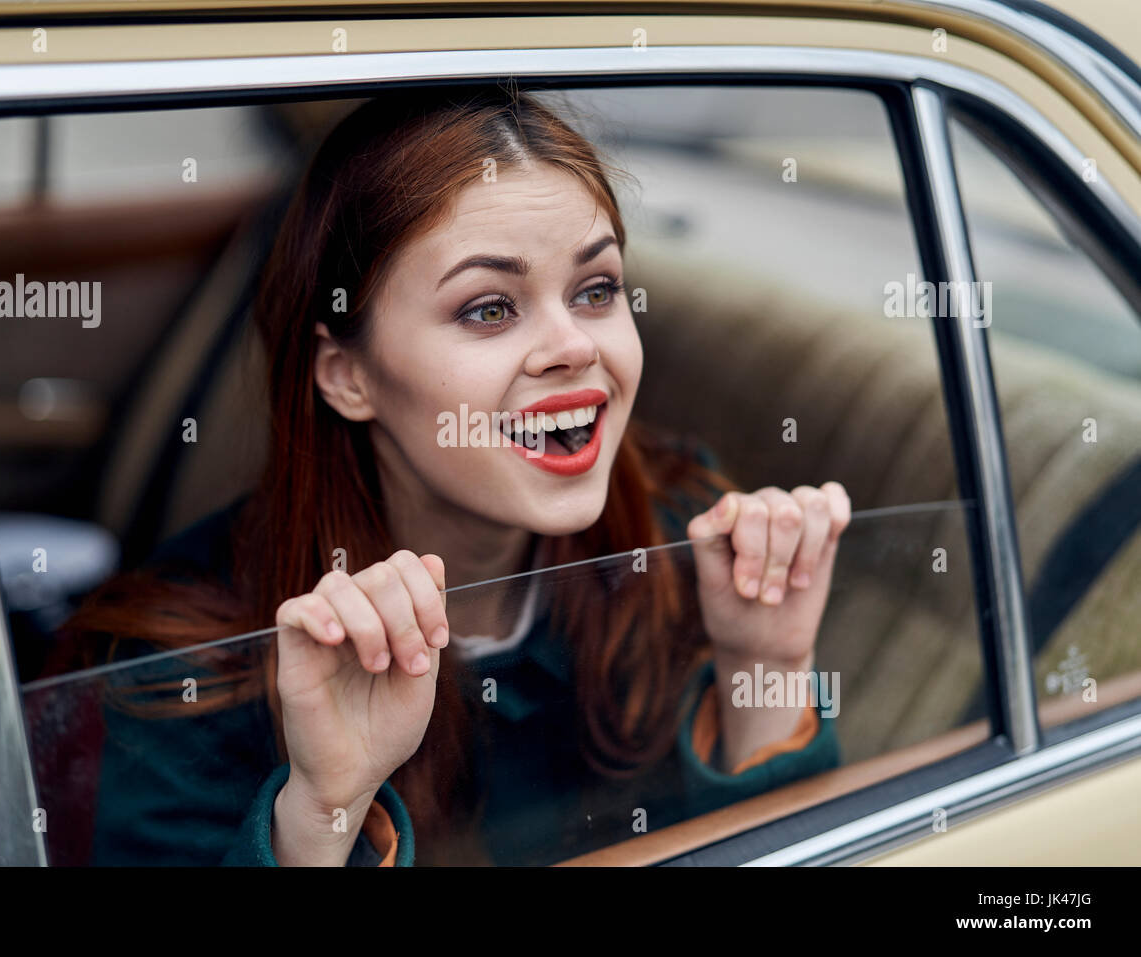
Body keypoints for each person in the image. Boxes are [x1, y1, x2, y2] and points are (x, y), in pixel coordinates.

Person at [57, 84, 851, 866]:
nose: (573, 345)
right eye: (489, 309)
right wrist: (324, 806)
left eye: (596, 289)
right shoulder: (183, 669)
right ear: (346, 375)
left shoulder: (689, 537)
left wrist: (765, 668)